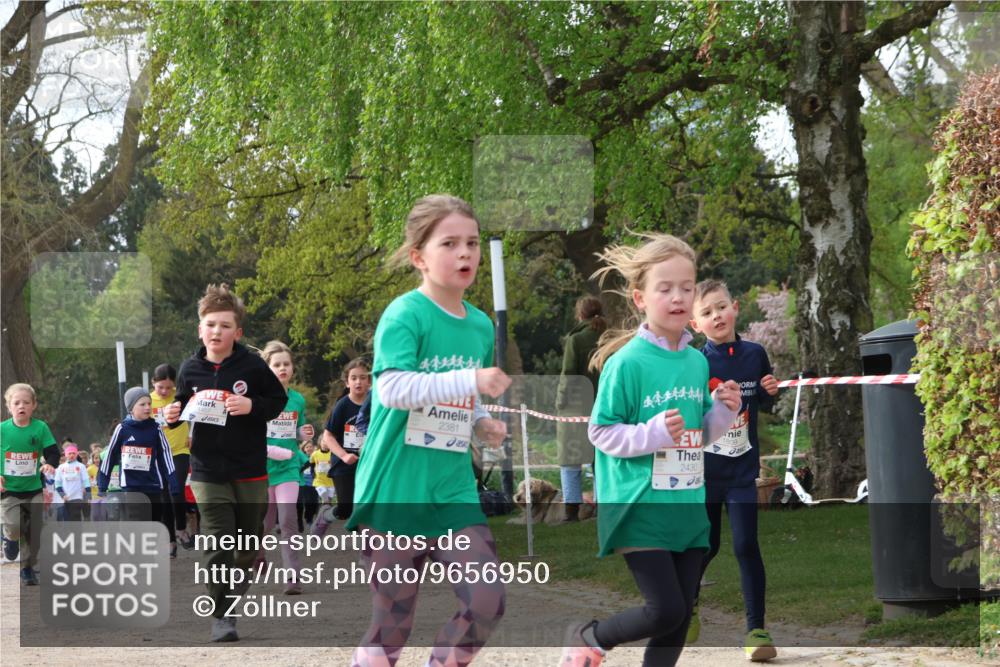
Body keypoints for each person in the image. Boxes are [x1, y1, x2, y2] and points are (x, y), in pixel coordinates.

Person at [560, 233, 742, 667]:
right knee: (664, 609)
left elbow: (697, 435)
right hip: (637, 503)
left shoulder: (698, 361)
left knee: (678, 619)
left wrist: (723, 413)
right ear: (640, 298)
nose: (678, 297)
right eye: (665, 289)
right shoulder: (627, 362)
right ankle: (591, 636)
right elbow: (601, 433)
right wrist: (653, 433)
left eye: (687, 287)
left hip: (686, 504)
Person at [346, 194, 510, 667]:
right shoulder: (404, 314)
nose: (466, 254)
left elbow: (465, 395)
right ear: (419, 256)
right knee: (392, 627)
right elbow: (394, 388)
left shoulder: (479, 325)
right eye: (451, 243)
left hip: (452, 487)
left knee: (486, 601)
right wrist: (470, 380)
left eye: (473, 243)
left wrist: (481, 423)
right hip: (396, 487)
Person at [163, 283, 287, 643]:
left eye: (225, 325)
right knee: (217, 541)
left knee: (247, 546)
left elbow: (276, 400)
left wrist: (252, 407)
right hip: (206, 470)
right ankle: (221, 616)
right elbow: (183, 408)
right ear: (200, 329)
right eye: (211, 324)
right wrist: (172, 415)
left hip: (249, 468)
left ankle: (231, 598)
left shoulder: (253, 366)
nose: (217, 331)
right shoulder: (190, 369)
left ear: (238, 332)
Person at [689, 279, 780, 661]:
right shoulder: (694, 362)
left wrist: (770, 392)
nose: (716, 316)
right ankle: (687, 604)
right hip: (705, 473)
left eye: (721, 307)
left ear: (736, 307)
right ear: (696, 324)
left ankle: (756, 630)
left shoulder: (755, 353)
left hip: (743, 472)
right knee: (705, 546)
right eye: (707, 312)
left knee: (746, 545)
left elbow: (764, 402)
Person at [258, 340, 314, 595]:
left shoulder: (297, 400)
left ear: (292, 368)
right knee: (265, 523)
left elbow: (299, 429)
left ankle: (293, 576)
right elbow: (251, 433)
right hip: (263, 467)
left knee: (289, 519)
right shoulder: (259, 398)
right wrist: (269, 449)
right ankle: (257, 553)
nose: (282, 368)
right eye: (277, 364)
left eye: (286, 364)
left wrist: (305, 433)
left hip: (289, 466)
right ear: (268, 368)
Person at [98, 387, 181, 551]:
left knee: (153, 523)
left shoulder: (156, 428)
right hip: (131, 487)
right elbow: (110, 457)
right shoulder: (122, 429)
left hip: (153, 486)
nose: (148, 408)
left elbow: (166, 455)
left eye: (149, 403)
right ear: (131, 408)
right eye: (142, 404)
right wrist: (102, 484)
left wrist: (173, 483)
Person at [1, 384, 59, 584]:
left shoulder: (40, 427)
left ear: (33, 405)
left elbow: (52, 450)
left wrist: (50, 464)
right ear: (9, 406)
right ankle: (9, 537)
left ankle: (26, 569)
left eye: (26, 402)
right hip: (8, 490)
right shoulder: (2, 429)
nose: (21, 406)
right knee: (16, 526)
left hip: (34, 488)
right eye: (16, 403)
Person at [556, 295, 606, 522]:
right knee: (602, 460)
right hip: (606, 405)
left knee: (570, 458)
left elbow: (569, 375)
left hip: (577, 407)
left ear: (580, 315)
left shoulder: (575, 340)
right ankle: (603, 507)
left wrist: (560, 402)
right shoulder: (611, 339)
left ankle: (571, 510)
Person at [322, 359, 371, 521]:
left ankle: (369, 545)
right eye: (354, 378)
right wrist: (344, 456)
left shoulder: (376, 404)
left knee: (368, 508)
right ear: (347, 382)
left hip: (368, 463)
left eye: (363, 378)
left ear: (369, 381)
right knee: (346, 509)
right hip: (344, 464)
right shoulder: (343, 405)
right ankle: (325, 517)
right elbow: (328, 437)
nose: (359, 382)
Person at [152, 363, 195, 549]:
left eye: (169, 387)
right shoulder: (147, 400)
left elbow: (197, 413)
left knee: (175, 490)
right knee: (164, 497)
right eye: (160, 387)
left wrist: (192, 434)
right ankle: (170, 541)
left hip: (180, 451)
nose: (164, 391)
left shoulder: (181, 397)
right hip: (158, 454)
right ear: (153, 383)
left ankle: (181, 529)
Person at [54, 443, 90, 521]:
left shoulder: (81, 466)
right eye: (69, 453)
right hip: (65, 498)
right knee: (67, 520)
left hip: (77, 497)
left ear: (76, 454)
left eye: (73, 453)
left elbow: (86, 482)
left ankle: (77, 532)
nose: (71, 455)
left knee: (76, 517)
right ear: (66, 455)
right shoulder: (61, 467)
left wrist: (88, 496)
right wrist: (62, 495)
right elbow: (57, 484)